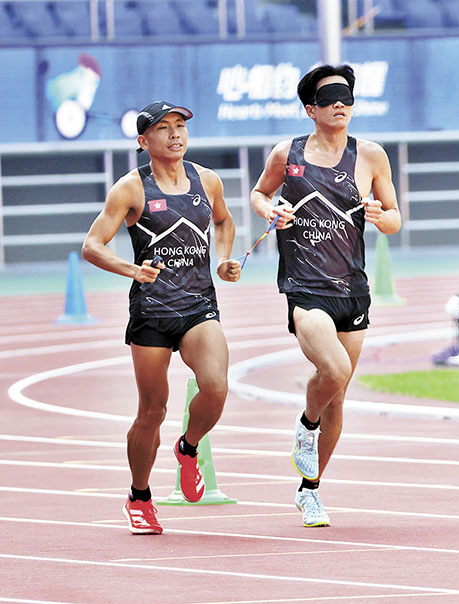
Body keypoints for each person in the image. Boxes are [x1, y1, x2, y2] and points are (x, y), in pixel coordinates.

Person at [249, 64, 400, 527]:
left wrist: (382, 215)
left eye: (346, 97)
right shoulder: (287, 153)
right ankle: (306, 424)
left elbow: (395, 218)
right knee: (334, 369)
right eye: (329, 98)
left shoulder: (370, 156)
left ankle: (310, 491)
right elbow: (259, 194)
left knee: (338, 397)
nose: (340, 104)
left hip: (352, 289)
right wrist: (270, 209)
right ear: (310, 109)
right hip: (304, 287)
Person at [82, 101, 242, 535]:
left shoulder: (207, 180)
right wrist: (133, 270)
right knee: (152, 411)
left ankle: (188, 448)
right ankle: (139, 496)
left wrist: (223, 259)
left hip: (198, 306)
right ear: (143, 140)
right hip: (152, 312)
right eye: (163, 128)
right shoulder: (130, 189)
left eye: (180, 126)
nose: (175, 134)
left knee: (216, 385)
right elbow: (92, 246)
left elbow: (224, 223)